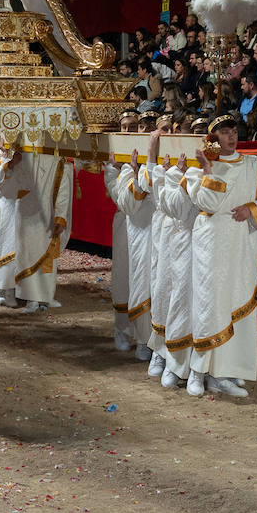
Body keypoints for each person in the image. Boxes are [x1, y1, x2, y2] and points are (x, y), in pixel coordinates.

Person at [185, 114, 257, 398]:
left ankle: (226, 372)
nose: (230, 137)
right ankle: (198, 370)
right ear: (212, 138)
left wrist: (251, 210)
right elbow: (203, 202)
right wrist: (206, 169)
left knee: (238, 304)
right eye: (223, 132)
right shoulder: (197, 168)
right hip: (211, 243)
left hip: (243, 243)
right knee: (209, 303)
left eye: (233, 131)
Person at [142, 131, 199, 389]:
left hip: (194, 235)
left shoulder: (203, 166)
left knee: (187, 298)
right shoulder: (167, 166)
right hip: (166, 233)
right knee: (163, 289)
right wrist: (152, 157)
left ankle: (185, 363)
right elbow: (155, 194)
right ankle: (160, 351)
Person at [109, 148, 155, 363]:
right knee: (124, 282)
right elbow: (123, 202)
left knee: (151, 284)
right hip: (127, 229)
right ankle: (122, 329)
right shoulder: (115, 165)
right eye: (125, 127)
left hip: (155, 229)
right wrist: (131, 174)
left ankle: (148, 339)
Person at [11, 150, 72, 312]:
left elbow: (63, 189)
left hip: (48, 213)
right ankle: (31, 298)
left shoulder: (58, 156)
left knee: (48, 256)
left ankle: (46, 296)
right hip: (26, 214)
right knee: (28, 255)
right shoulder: (23, 152)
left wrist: (61, 216)